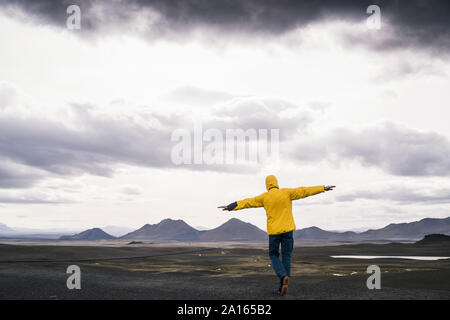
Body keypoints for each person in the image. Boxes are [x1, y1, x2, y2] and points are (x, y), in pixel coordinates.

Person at [218, 175, 335, 296]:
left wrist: (230, 206)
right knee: (286, 256)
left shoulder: (264, 197)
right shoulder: (286, 192)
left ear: (267, 184)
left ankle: (283, 277)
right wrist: (322, 188)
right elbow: (304, 191)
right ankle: (283, 285)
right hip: (288, 230)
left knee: (273, 255)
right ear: (276, 183)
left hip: (274, 232)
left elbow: (247, 202)